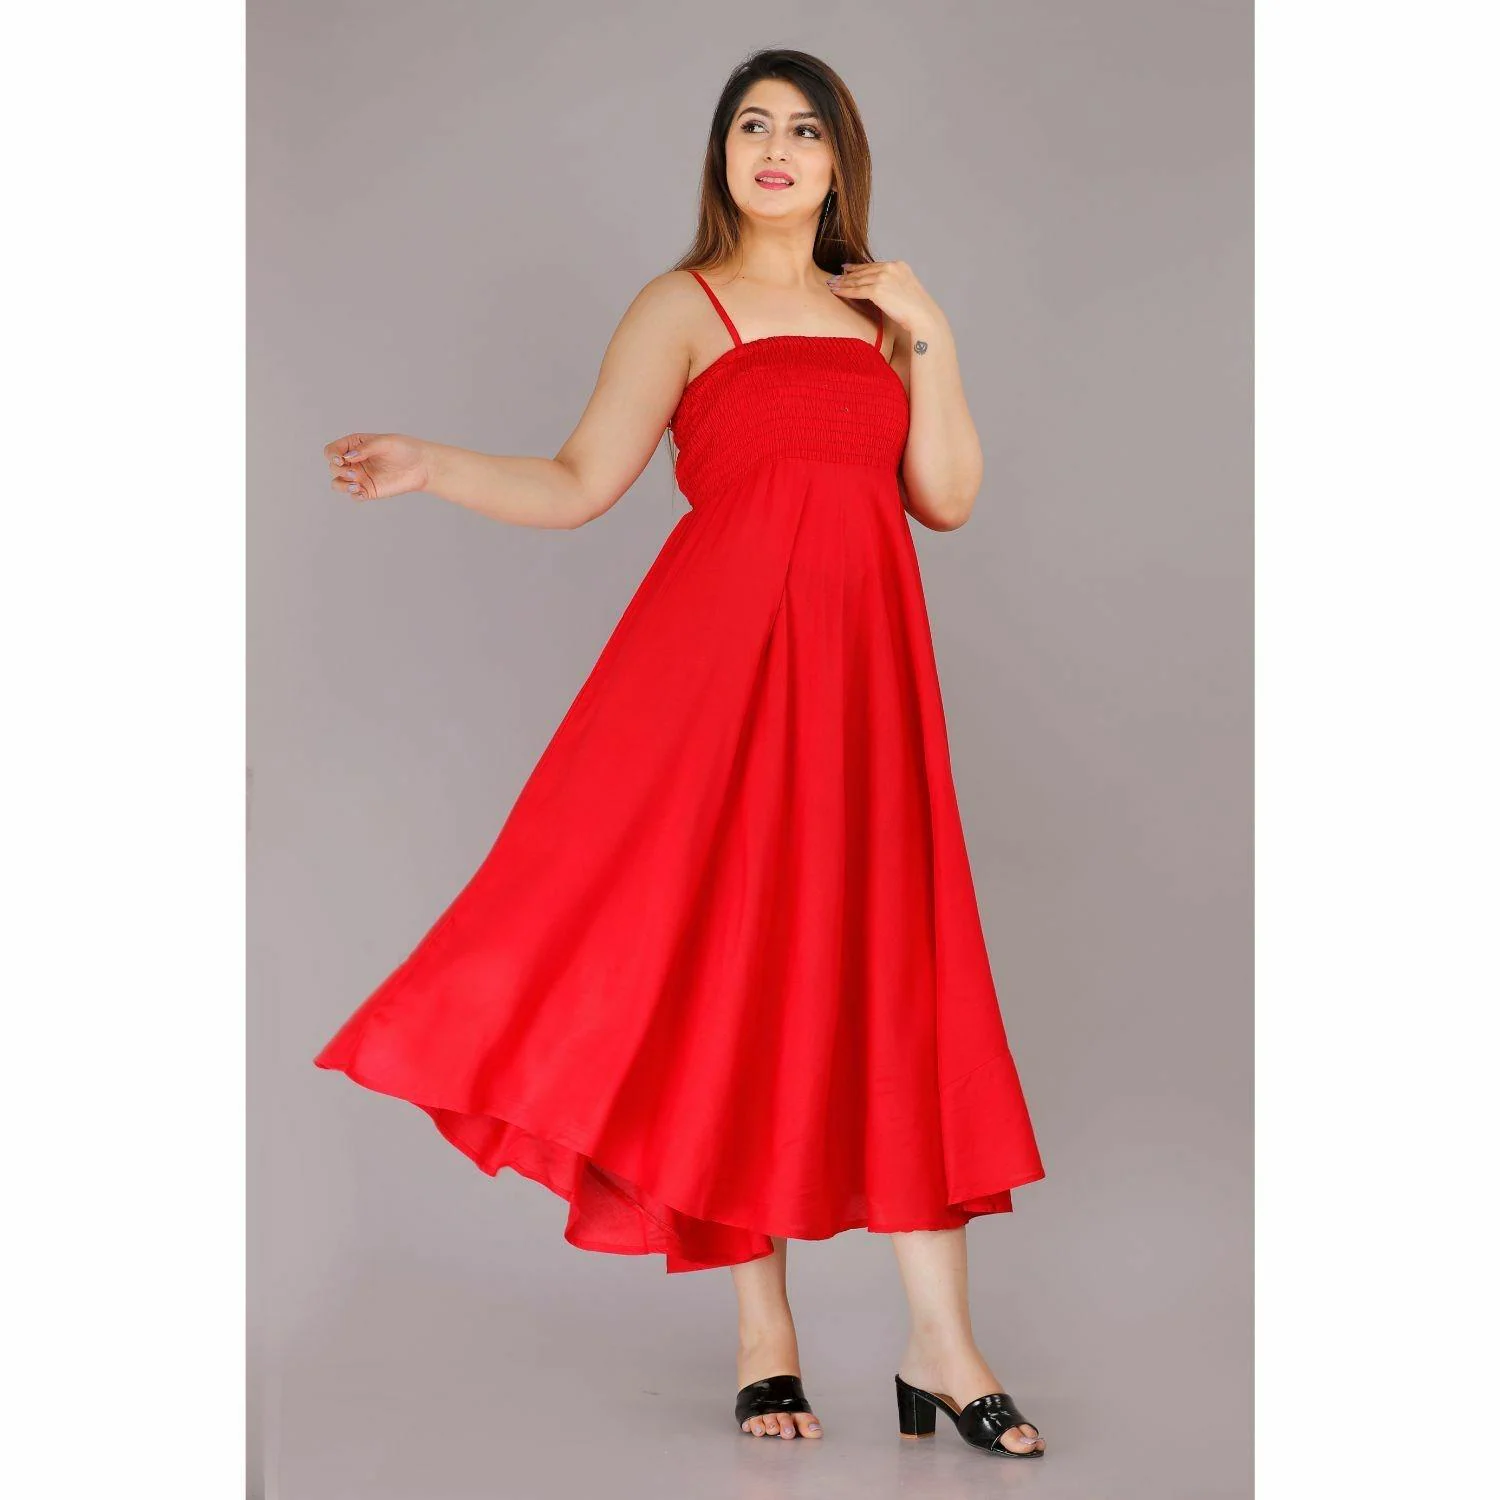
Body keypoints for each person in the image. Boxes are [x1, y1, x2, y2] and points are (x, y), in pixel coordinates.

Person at [315, 48, 1047, 1459]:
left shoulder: (884, 315)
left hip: (865, 688)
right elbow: (579, 480)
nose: (776, 147)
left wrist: (932, 330)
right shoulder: (682, 304)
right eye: (751, 126)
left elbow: (945, 498)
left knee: (898, 973)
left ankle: (941, 1344)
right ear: (722, 155)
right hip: (715, 680)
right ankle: (764, 1336)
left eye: (805, 130)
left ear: (840, 162)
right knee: (733, 975)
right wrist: (435, 466)